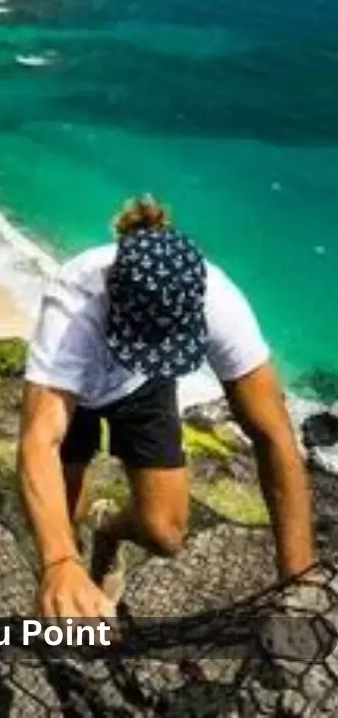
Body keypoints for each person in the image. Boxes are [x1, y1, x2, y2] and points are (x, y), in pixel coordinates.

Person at [18, 195, 315, 620]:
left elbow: (274, 434)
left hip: (143, 387)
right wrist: (60, 563)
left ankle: (108, 530)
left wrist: (298, 582)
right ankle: (75, 575)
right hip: (76, 391)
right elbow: (38, 439)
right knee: (63, 518)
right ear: (112, 300)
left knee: (166, 534)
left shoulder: (218, 300)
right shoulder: (74, 302)